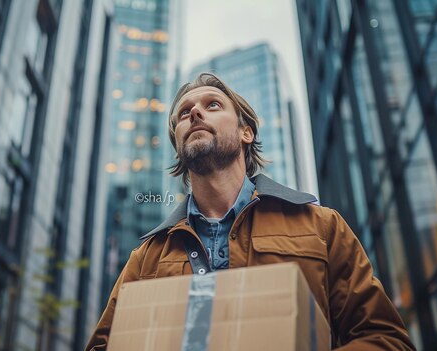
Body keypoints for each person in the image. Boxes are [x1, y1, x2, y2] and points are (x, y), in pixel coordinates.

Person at [85, 72, 415, 350]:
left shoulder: (321, 226)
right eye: (184, 114)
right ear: (178, 146)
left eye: (211, 105)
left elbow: (386, 339)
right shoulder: (146, 259)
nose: (195, 114)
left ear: (247, 132)